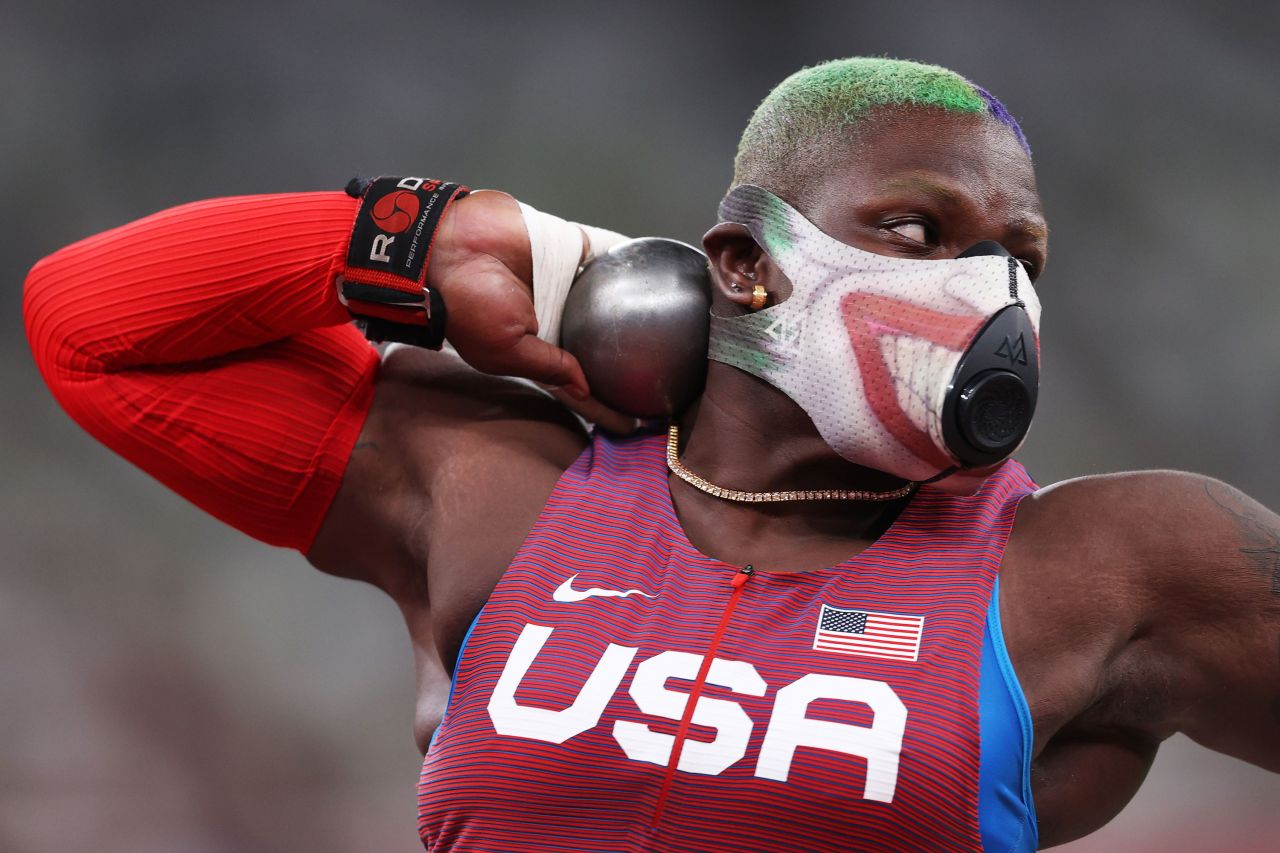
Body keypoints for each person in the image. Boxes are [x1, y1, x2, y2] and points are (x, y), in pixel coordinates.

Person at [22, 57, 1278, 851]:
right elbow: (93, 333)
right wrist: (436, 236)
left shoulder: (1109, 567)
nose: (984, 288)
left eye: (1019, 256)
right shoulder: (500, 485)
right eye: (915, 227)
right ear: (742, 262)